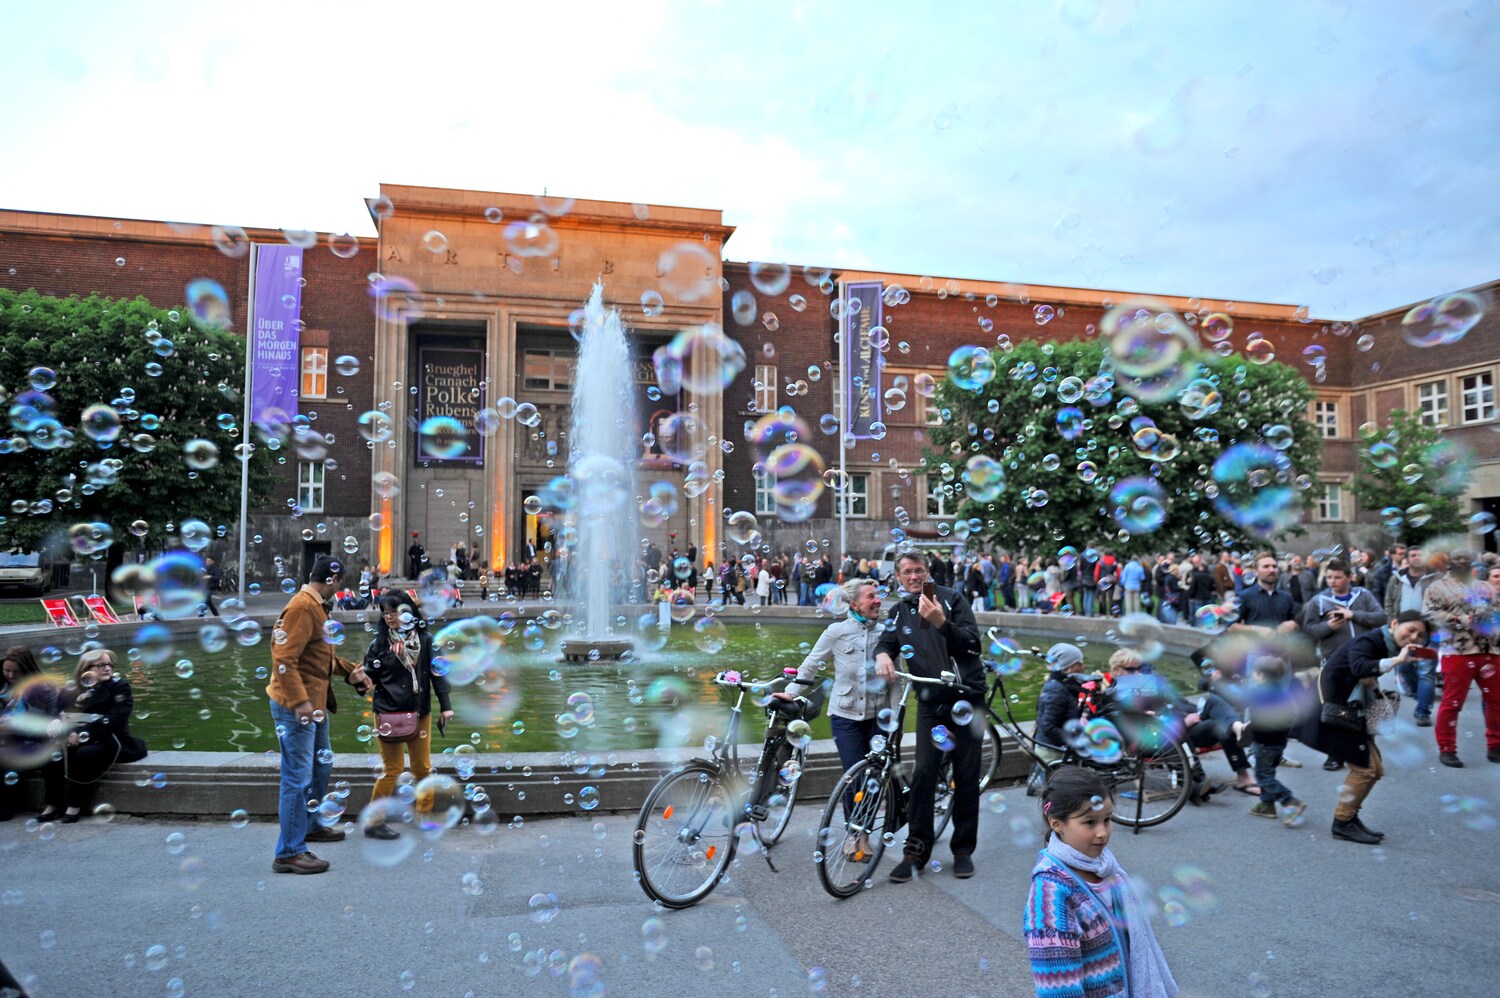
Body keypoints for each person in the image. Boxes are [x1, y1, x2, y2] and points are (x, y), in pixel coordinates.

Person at [874, 552, 984, 882]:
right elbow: (886, 642)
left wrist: (941, 622)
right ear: (898, 577)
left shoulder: (952, 600)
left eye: (918, 570)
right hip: (930, 702)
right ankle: (915, 851)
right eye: (906, 572)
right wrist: (882, 654)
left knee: (966, 774)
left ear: (928, 572)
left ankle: (962, 849)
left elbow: (973, 646)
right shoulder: (900, 610)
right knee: (923, 772)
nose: (913, 576)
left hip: (966, 697)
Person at [1025, 766, 1179, 998]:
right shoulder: (1050, 897)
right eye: (1090, 822)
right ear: (1057, 824)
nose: (1102, 832)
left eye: (1106, 819)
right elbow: (1058, 989)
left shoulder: (1107, 870)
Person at [266, 555, 370, 875]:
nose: (340, 591)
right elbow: (283, 658)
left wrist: (353, 672)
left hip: (314, 705)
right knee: (297, 777)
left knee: (322, 764)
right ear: (333, 580)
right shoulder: (303, 607)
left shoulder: (318, 607)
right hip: (296, 707)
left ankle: (309, 825)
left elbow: (321, 658)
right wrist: (299, 703)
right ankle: (289, 852)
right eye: (340, 585)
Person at [775, 578, 891, 855]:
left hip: (879, 716)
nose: (878, 600)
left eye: (878, 596)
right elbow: (812, 664)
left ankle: (865, 835)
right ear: (854, 604)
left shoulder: (887, 633)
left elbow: (895, 680)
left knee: (875, 776)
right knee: (853, 776)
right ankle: (853, 833)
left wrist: (895, 715)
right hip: (845, 715)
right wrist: (790, 693)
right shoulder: (836, 631)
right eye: (871, 596)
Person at [1298, 610, 1430, 844]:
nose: (1414, 638)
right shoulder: (1370, 640)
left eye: (1420, 635)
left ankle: (1351, 817)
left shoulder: (1382, 644)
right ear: (1395, 623)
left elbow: (1361, 671)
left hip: (1350, 710)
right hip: (1335, 711)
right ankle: (1343, 822)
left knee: (1375, 769)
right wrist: (1397, 661)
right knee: (1366, 769)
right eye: (1411, 630)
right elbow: (1359, 666)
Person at [360, 593, 453, 840]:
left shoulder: (426, 640)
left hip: (419, 712)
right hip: (387, 713)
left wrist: (446, 706)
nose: (389, 617)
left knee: (422, 768)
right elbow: (368, 677)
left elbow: (438, 675)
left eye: (394, 611)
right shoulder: (378, 644)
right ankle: (374, 821)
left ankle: (426, 814)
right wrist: (360, 680)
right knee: (392, 769)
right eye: (385, 613)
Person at [38, 649, 148, 822]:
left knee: (85, 754)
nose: (107, 668)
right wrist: (55, 722)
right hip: (73, 738)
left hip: (110, 739)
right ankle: (53, 804)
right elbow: (58, 713)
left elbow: (115, 719)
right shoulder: (70, 690)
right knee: (51, 754)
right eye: (101, 665)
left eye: (110, 664)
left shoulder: (119, 687)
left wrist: (83, 733)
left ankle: (74, 805)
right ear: (85, 668)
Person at [1424, 549, 1500, 767]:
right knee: (1453, 702)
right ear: (1450, 563)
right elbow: (1431, 613)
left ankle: (1496, 745)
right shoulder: (1437, 587)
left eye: (1467, 560)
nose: (1463, 563)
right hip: (1457, 651)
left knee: (1496, 702)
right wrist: (1462, 618)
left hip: (1489, 650)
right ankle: (1447, 748)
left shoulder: (1485, 586)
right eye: (1458, 560)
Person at [0, 646, 62, 821]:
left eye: (16, 672)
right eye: (6, 670)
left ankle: (8, 807)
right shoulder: (4, 685)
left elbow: (51, 722)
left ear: (27, 670)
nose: (10, 676)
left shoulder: (45, 689)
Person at [1244, 655, 1306, 825]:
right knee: (1269, 772)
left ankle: (1290, 801)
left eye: (1255, 673)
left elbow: (1256, 720)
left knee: (1263, 776)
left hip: (1263, 742)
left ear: (1261, 675)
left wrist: (1247, 730)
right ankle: (1266, 805)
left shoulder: (1257, 694)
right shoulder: (1282, 693)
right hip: (1279, 742)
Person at [1384, 546, 1437, 726]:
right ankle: (1419, 692)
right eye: (1413, 555)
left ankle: (1423, 711)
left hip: (1428, 631)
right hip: (1403, 632)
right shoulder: (1397, 579)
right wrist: (1392, 621)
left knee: (1426, 672)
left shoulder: (1435, 578)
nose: (1417, 557)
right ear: (1407, 559)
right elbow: (1389, 602)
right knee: (1404, 668)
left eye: (1421, 554)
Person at [1300, 558, 1386, 663]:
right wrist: (1328, 626)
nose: (1332, 581)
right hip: (1335, 658)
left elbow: (1381, 618)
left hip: (1364, 655)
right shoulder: (1318, 600)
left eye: (1338, 577)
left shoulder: (1363, 594)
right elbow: (1309, 630)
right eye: (1329, 577)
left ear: (1349, 577)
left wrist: (1353, 615)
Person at [1233, 552, 1299, 633]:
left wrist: (1292, 624)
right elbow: (1232, 626)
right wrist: (1256, 629)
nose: (1272, 570)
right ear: (1256, 572)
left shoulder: (1286, 596)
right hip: (1254, 644)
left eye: (1274, 566)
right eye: (1266, 566)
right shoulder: (1244, 596)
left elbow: (1295, 622)